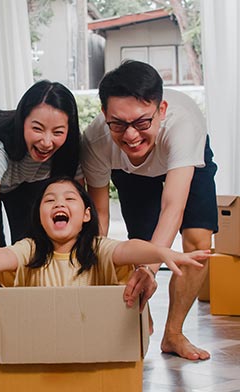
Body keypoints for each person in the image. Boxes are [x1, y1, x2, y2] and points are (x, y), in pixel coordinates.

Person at [81, 60, 218, 361]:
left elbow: (173, 207)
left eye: (142, 122)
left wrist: (151, 269)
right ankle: (140, 320)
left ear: (162, 110)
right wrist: (97, 263)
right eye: (118, 124)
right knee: (139, 245)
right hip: (130, 171)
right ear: (104, 114)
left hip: (183, 158)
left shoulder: (183, 126)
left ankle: (174, 333)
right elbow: (99, 218)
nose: (130, 135)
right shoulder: (96, 140)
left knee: (197, 242)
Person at [0, 177, 208, 294]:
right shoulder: (30, 249)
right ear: (41, 217)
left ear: (85, 215)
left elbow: (129, 249)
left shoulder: (97, 248)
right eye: (49, 200)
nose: (59, 203)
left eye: (69, 199)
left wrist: (162, 252)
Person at [0, 80, 81, 305]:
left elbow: (80, 209)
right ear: (22, 122)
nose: (47, 142)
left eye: (58, 132)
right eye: (37, 129)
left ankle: (27, 317)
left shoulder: (70, 150)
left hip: (26, 180)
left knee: (31, 248)